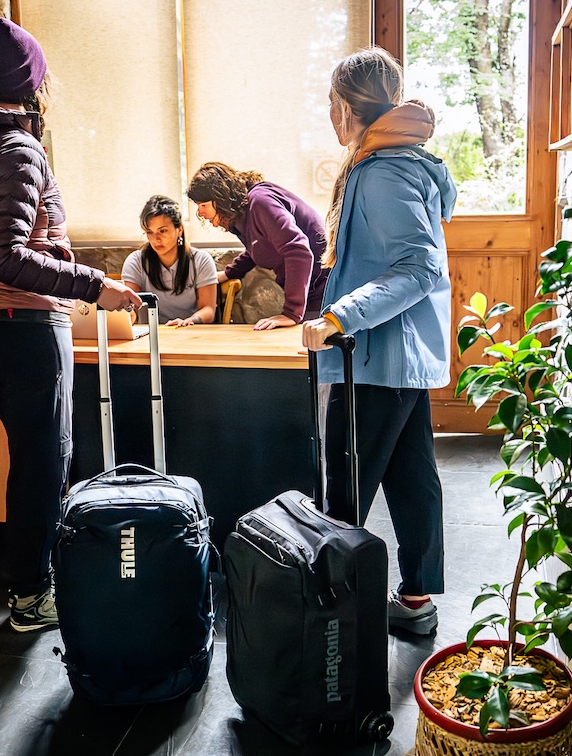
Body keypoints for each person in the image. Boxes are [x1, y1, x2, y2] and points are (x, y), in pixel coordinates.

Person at [0, 17, 142, 633]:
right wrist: (99, 286)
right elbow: (5, 256)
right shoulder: (15, 148)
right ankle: (31, 596)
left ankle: (33, 580)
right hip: (23, 326)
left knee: (32, 459)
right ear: (29, 81)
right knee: (45, 461)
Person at [301, 47, 457, 637]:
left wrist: (339, 316)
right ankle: (415, 603)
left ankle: (332, 619)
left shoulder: (385, 170)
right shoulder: (398, 161)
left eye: (330, 104)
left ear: (345, 106)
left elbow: (420, 268)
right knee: (413, 479)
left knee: (344, 488)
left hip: (371, 355)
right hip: (399, 355)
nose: (329, 115)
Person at [186, 163, 328, 329]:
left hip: (324, 288)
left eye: (203, 205)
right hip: (312, 291)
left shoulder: (261, 202)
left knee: (311, 349)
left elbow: (298, 250)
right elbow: (258, 247)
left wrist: (291, 313)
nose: (200, 213)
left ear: (221, 198)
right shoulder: (243, 215)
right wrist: (228, 273)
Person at [121, 195, 218, 326]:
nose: (156, 239)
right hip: (150, 337)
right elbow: (129, 306)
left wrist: (188, 321)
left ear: (179, 230)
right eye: (150, 232)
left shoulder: (201, 261)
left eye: (163, 231)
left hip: (191, 334)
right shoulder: (136, 261)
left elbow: (208, 310)